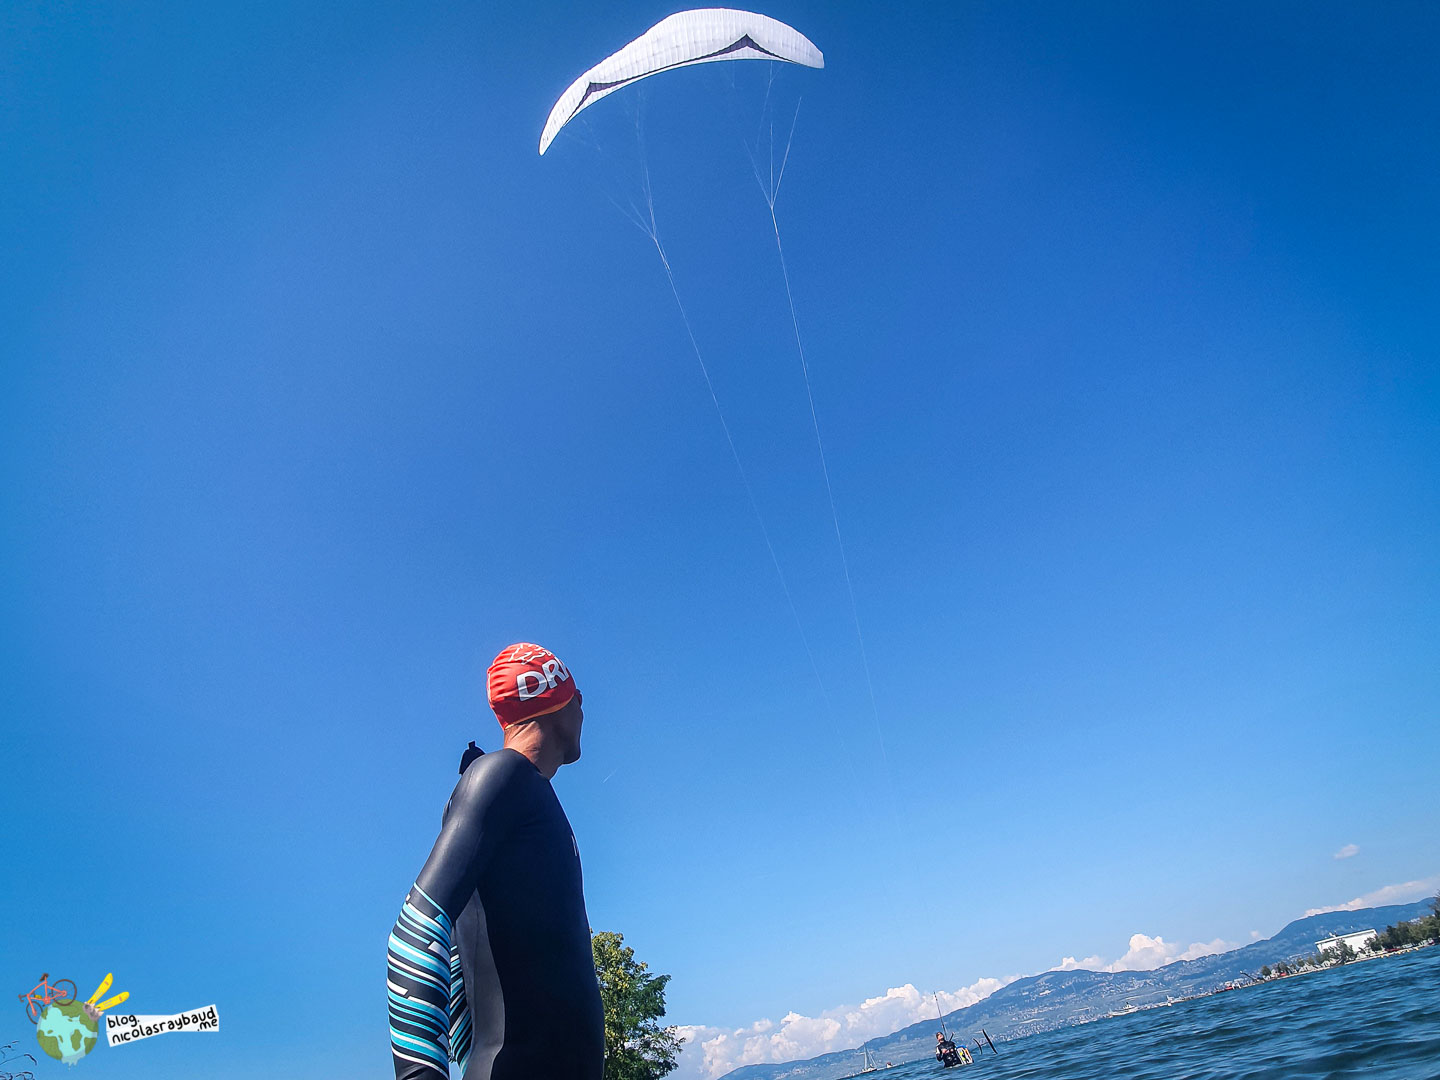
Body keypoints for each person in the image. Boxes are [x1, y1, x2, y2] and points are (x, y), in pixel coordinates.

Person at [388, 643, 604, 1080]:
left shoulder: (524, 794)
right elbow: (414, 937)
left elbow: (458, 963)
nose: (584, 707)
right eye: (578, 695)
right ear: (561, 698)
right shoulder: (501, 776)